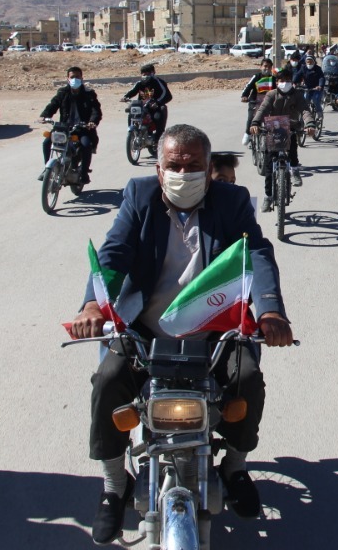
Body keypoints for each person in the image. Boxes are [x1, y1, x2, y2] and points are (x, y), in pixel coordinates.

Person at [69, 125, 294, 545]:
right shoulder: (139, 196)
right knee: (108, 381)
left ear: (209, 169)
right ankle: (114, 484)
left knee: (247, 380)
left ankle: (235, 467)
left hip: (213, 331)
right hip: (146, 329)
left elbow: (257, 252)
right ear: (159, 169)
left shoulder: (231, 201)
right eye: (174, 165)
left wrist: (270, 311)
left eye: (194, 165)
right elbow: (115, 252)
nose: (183, 173)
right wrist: (93, 306)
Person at [249, 68, 316, 211]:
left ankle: (295, 170)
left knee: (292, 148)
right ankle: (268, 197)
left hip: (291, 127)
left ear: (292, 81)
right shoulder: (271, 94)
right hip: (273, 128)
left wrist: (310, 124)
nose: (285, 83)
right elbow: (263, 109)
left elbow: (305, 110)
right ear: (277, 82)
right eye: (282, 80)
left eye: (288, 80)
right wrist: (255, 122)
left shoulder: (297, 95)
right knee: (269, 166)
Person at [39, 66, 101, 184]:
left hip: (82, 128)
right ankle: (47, 170)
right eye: (72, 77)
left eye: (77, 76)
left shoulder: (89, 93)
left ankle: (83, 173)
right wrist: (45, 115)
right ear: (67, 79)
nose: (75, 79)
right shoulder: (63, 92)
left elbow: (96, 110)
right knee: (47, 142)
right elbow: (53, 104)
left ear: (82, 78)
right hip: (64, 127)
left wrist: (92, 121)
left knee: (86, 145)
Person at [121, 63, 173, 149]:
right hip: (143, 107)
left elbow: (167, 95)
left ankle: (157, 139)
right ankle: (133, 133)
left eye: (148, 74)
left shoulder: (159, 82)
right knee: (131, 112)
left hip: (155, 107)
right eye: (143, 74)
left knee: (159, 115)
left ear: (153, 73)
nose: (145, 76)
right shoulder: (139, 83)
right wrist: (126, 97)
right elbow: (133, 91)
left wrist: (157, 102)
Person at [240, 58, 276, 145]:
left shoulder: (274, 79)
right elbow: (248, 87)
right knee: (251, 118)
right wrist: (244, 96)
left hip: (268, 103)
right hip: (255, 101)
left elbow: (278, 91)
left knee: (273, 119)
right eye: (265, 66)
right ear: (261, 67)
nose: (267, 68)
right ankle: (248, 133)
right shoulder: (256, 77)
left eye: (269, 67)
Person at [293, 54, 326, 122]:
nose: (309, 63)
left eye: (311, 62)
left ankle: (319, 114)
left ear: (314, 62)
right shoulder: (303, 68)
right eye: (307, 62)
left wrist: (320, 85)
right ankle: (306, 115)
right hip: (308, 88)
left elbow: (321, 78)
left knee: (316, 100)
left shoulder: (318, 69)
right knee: (305, 101)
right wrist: (294, 82)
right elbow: (298, 75)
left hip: (317, 88)